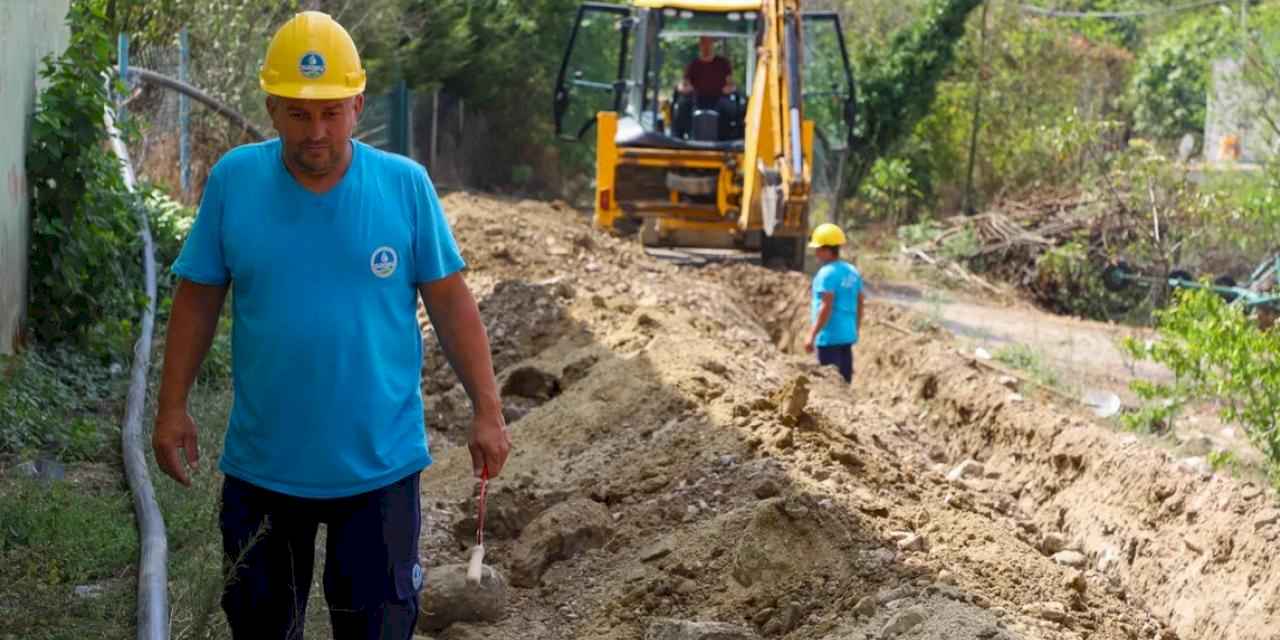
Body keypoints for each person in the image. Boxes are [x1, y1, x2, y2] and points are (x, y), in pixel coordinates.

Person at [150, 11, 511, 640]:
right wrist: (171, 405)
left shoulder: (405, 187)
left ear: (358, 104)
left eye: (331, 112)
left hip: (380, 472)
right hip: (265, 469)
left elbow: (452, 303)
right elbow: (198, 297)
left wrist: (488, 407)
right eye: (297, 113)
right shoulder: (234, 181)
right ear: (270, 109)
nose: (316, 131)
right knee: (261, 629)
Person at [804, 223, 864, 383]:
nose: (815, 253)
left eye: (818, 249)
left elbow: (826, 305)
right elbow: (860, 302)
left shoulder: (826, 274)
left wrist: (812, 334)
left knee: (830, 386)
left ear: (826, 249)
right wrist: (856, 329)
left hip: (828, 338)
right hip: (847, 336)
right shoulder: (852, 271)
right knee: (844, 384)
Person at [673, 36, 739, 139]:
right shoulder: (694, 64)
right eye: (703, 43)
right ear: (700, 45)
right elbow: (685, 83)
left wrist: (730, 88)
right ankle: (680, 138)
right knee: (682, 106)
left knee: (732, 109)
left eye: (708, 43)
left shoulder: (723, 63)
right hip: (697, 99)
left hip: (719, 98)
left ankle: (729, 138)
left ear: (713, 44)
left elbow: (730, 83)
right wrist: (683, 88)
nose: (706, 46)